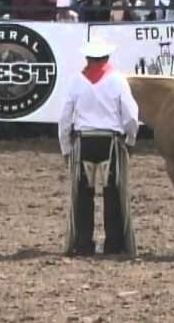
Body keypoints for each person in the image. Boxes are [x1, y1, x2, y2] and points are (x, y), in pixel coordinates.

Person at [58, 37, 139, 257]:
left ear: (87, 58)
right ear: (107, 57)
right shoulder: (118, 80)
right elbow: (131, 116)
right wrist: (130, 141)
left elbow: (65, 117)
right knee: (113, 192)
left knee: (83, 194)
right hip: (110, 142)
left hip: (83, 141)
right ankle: (114, 243)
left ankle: (83, 243)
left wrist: (66, 148)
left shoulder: (75, 81)